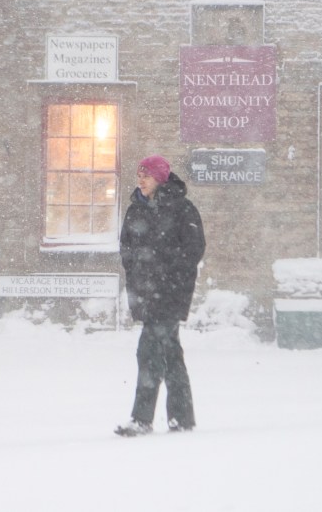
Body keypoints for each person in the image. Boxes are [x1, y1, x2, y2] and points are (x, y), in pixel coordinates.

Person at [115, 155, 206, 437]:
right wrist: (138, 273)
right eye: (139, 175)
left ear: (160, 178)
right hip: (146, 294)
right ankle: (181, 417)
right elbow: (126, 249)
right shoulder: (135, 210)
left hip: (169, 293)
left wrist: (166, 272)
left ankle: (142, 419)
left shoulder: (182, 209)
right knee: (169, 355)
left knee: (149, 353)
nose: (141, 180)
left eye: (147, 175)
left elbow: (193, 249)